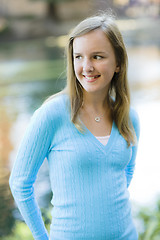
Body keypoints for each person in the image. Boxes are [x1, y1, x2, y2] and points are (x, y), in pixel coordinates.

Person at [9, 11, 140, 240]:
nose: (86, 66)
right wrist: (42, 237)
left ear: (118, 62)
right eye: (78, 56)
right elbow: (20, 183)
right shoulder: (53, 114)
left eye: (97, 57)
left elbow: (126, 171)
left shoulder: (129, 117)